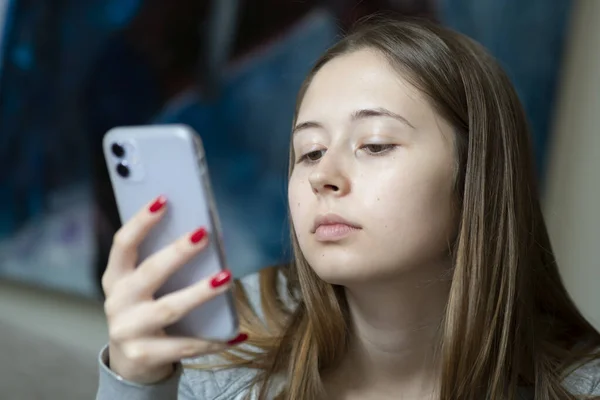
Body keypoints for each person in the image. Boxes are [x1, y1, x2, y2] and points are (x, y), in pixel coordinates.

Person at [96, 18, 600, 400]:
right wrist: (136, 383)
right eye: (309, 151)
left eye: (375, 144)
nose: (322, 175)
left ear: (478, 175)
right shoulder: (230, 354)